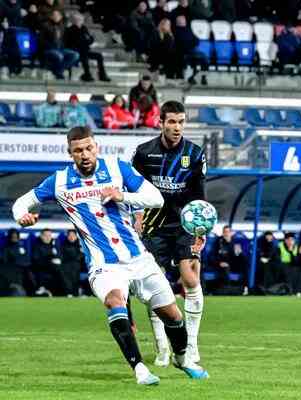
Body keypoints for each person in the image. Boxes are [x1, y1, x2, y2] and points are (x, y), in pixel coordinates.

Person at [12, 126, 207, 384]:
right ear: (70, 153)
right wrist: (22, 217)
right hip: (104, 264)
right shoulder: (59, 182)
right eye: (78, 150)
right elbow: (22, 203)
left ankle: (182, 358)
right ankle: (140, 369)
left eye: (89, 148)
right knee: (115, 302)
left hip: (138, 258)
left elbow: (155, 198)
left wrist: (122, 195)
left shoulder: (117, 168)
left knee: (172, 315)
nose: (84, 154)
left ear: (97, 147)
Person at [132, 101, 207, 366]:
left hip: (184, 225)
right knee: (156, 285)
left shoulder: (195, 154)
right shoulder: (143, 153)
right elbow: (134, 188)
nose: (177, 127)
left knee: (189, 278)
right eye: (172, 122)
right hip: (153, 226)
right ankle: (162, 347)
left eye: (181, 122)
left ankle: (192, 345)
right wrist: (137, 217)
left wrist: (201, 230)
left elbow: (200, 196)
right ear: (160, 122)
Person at [65, 12, 110, 82]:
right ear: (73, 21)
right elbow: (74, 42)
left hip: (85, 50)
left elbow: (89, 39)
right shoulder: (70, 30)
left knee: (99, 56)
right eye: (77, 19)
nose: (79, 21)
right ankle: (87, 74)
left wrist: (89, 40)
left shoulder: (84, 28)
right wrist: (86, 40)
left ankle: (102, 75)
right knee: (84, 55)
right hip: (75, 51)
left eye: (80, 19)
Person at [40, 10, 79, 80]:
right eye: (54, 15)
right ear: (51, 17)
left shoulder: (62, 26)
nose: (56, 17)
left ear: (61, 17)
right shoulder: (46, 26)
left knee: (75, 55)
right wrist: (50, 46)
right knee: (59, 56)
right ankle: (58, 72)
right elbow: (42, 40)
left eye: (58, 15)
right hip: (49, 49)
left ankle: (58, 70)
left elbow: (67, 23)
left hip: (61, 49)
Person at [210, 226, 246, 293]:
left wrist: (239, 253)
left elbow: (239, 257)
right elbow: (213, 256)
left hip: (233, 264)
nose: (226, 234)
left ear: (231, 233)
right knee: (225, 268)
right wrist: (219, 262)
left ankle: (245, 288)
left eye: (228, 232)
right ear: (222, 233)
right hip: (220, 264)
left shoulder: (235, 242)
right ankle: (225, 288)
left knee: (245, 264)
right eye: (225, 232)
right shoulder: (218, 242)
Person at [30, 228, 63, 297]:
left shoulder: (55, 246)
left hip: (56, 269)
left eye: (49, 236)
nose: (48, 238)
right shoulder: (37, 246)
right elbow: (36, 261)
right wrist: (50, 260)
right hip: (43, 269)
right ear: (41, 236)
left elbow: (60, 257)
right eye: (46, 235)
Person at [1, 228, 29, 296]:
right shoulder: (6, 249)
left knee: (29, 273)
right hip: (13, 270)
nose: (14, 238)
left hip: (24, 268)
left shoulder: (22, 248)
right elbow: (5, 262)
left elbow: (27, 259)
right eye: (13, 236)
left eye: (16, 236)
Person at [59, 229, 85, 297]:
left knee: (75, 267)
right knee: (66, 269)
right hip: (67, 265)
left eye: (73, 235)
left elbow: (81, 257)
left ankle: (76, 291)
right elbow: (62, 256)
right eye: (69, 235)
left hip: (80, 266)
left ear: (76, 236)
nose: (71, 237)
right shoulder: (63, 245)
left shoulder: (81, 245)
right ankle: (70, 292)